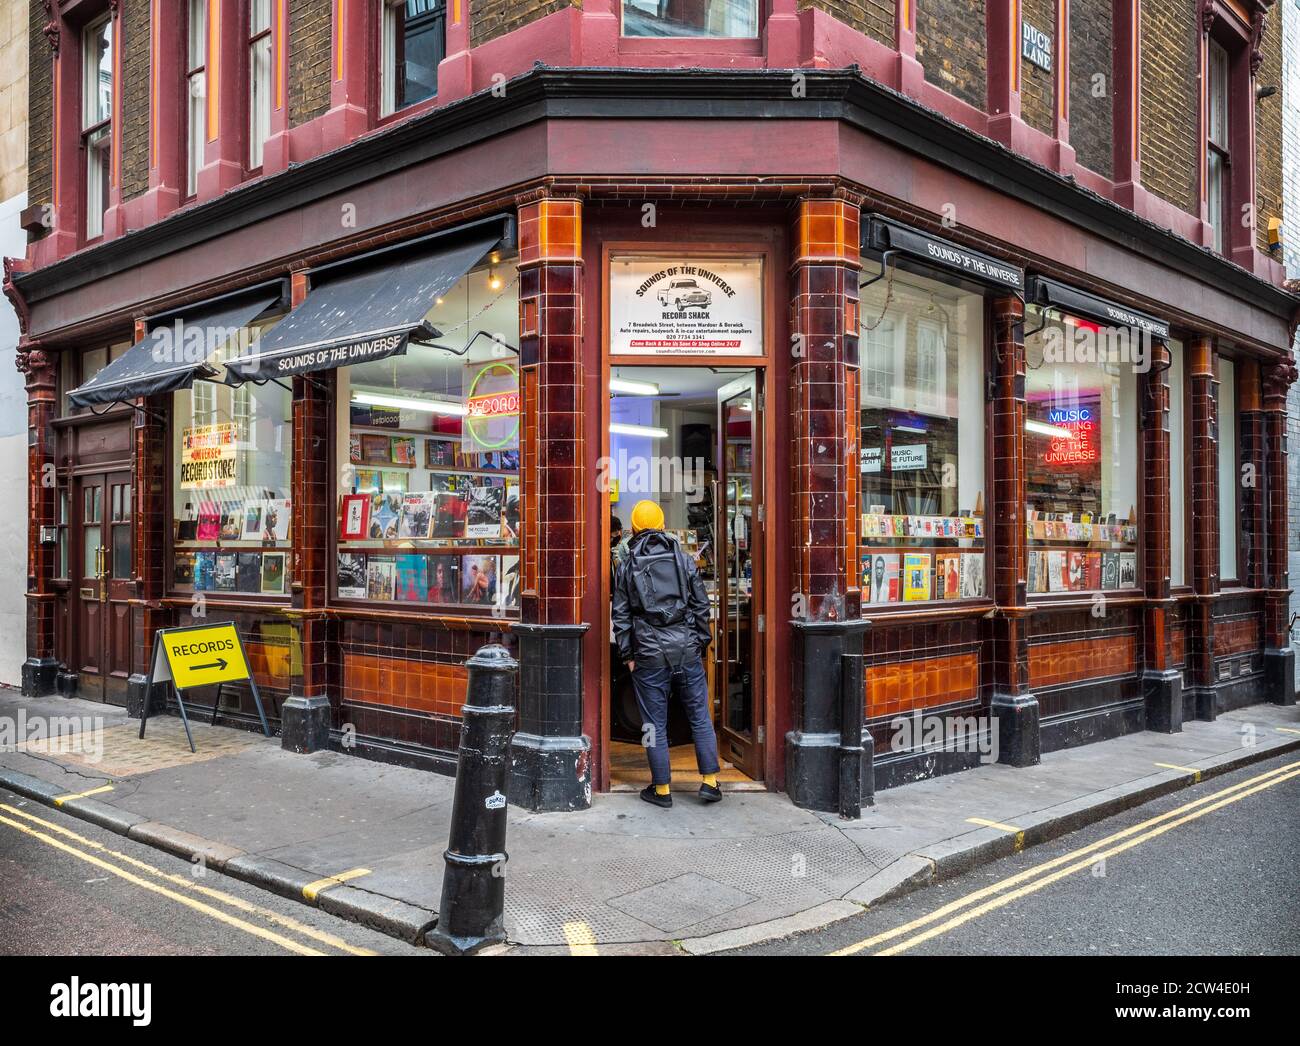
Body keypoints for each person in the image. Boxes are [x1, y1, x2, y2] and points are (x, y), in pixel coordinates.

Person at [612, 499, 722, 808]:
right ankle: (710, 782)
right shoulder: (684, 558)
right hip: (686, 649)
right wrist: (700, 641)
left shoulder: (628, 563)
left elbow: (620, 616)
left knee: (653, 724)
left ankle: (661, 790)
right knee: (700, 716)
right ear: (662, 525)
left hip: (648, 655)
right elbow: (701, 605)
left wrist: (628, 655)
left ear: (634, 527)